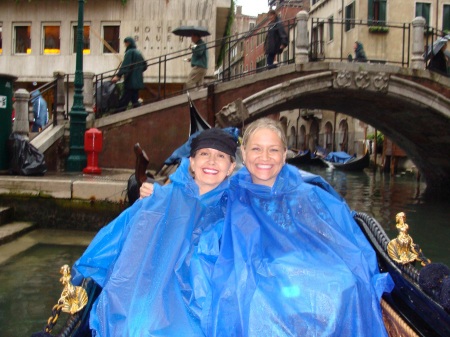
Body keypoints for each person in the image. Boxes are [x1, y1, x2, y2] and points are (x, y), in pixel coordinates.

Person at [195, 118, 393, 336]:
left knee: (342, 283)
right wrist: (153, 193)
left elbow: (336, 239)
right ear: (243, 152)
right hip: (255, 270)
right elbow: (196, 201)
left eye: (273, 150)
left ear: (284, 154)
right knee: (252, 297)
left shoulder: (308, 193)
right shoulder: (229, 192)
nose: (264, 158)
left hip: (302, 270)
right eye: (256, 149)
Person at [71, 128, 237, 336]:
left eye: (220, 156)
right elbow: (118, 236)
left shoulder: (236, 211)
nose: (212, 161)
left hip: (196, 305)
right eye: (204, 154)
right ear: (192, 162)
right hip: (148, 297)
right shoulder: (159, 199)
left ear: (231, 167)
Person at [111, 37, 147, 112]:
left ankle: (117, 114)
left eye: (125, 43)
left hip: (130, 80)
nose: (124, 45)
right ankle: (140, 111)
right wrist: (138, 71)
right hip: (137, 81)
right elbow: (145, 65)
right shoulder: (138, 52)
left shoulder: (129, 52)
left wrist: (118, 76)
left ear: (128, 43)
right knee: (134, 99)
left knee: (125, 99)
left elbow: (125, 65)